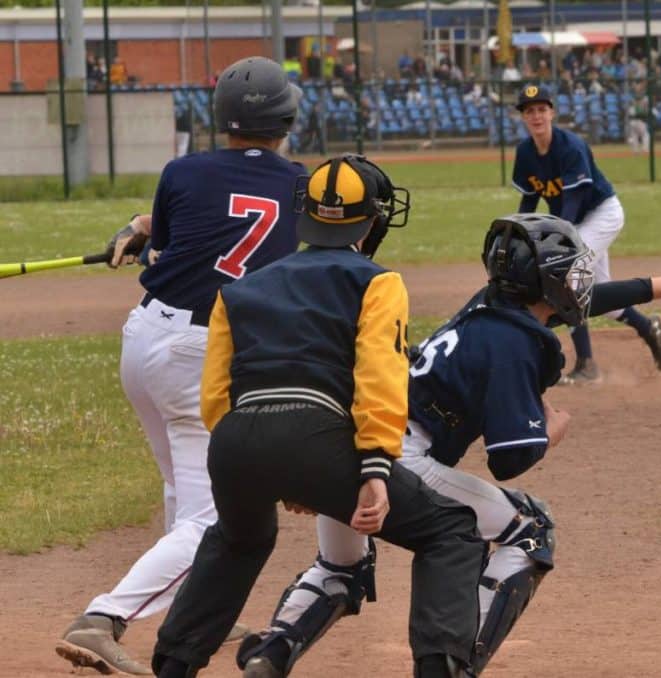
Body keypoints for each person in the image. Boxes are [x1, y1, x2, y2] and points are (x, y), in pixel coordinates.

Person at [238, 213, 661, 678]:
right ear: (546, 284)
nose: (577, 281)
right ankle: (456, 662)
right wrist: (551, 429)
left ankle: (274, 650)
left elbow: (584, 302)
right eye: (568, 272)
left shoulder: (493, 305)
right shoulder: (514, 345)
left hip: (351, 444)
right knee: (529, 529)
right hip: (401, 458)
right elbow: (510, 457)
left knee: (342, 566)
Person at [151, 155, 486, 678]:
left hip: (236, 439)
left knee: (239, 540)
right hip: (318, 434)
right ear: (371, 220)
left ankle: (174, 664)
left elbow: (216, 396)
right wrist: (374, 468)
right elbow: (380, 374)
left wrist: (267, 465)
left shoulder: (240, 288)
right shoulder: (377, 282)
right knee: (452, 533)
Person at [54, 56, 305, 676]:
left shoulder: (182, 170)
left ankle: (195, 611)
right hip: (202, 354)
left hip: (144, 339)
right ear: (285, 118)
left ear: (224, 116)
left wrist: (137, 226)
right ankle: (103, 618)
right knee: (215, 515)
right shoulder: (298, 182)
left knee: (183, 491)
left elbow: (170, 230)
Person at [511, 83, 661, 384]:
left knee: (566, 278)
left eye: (542, 109)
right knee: (600, 296)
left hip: (601, 213)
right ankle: (648, 328)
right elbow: (529, 200)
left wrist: (556, 242)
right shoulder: (525, 153)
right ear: (523, 117)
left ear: (552, 112)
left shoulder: (570, 147)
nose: (537, 116)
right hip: (577, 223)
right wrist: (522, 233)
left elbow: (574, 201)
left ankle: (586, 364)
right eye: (529, 111)